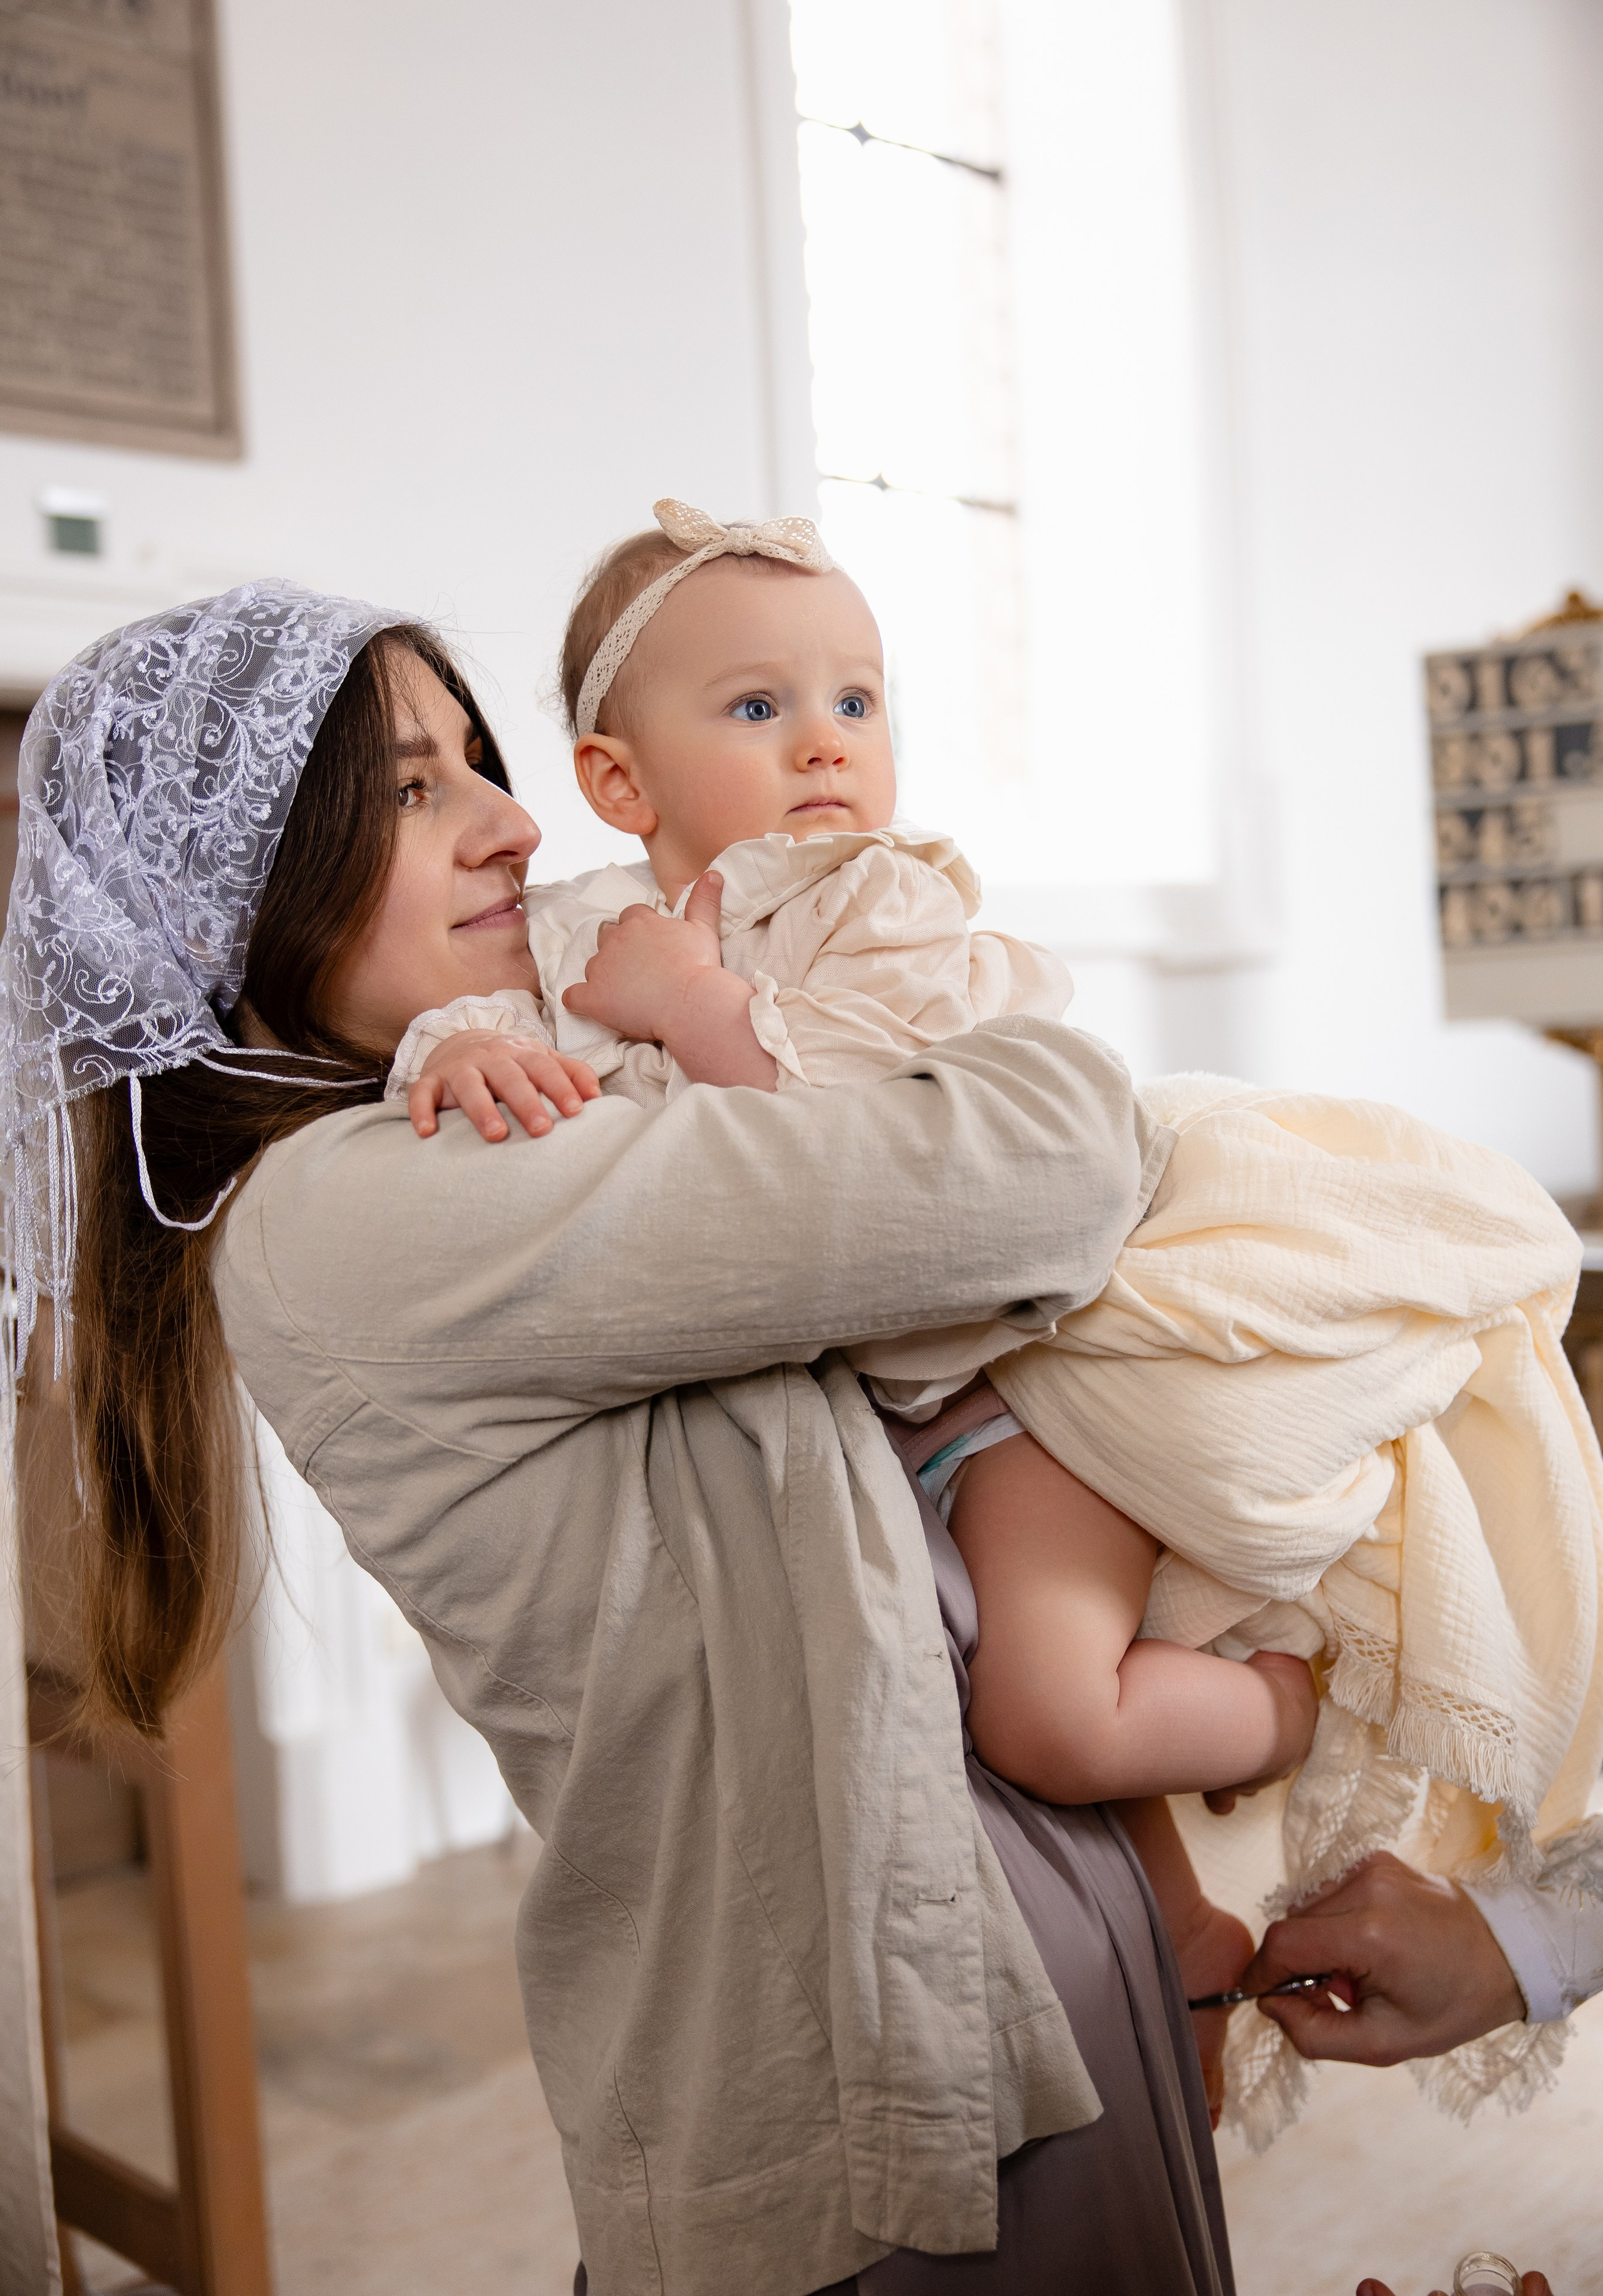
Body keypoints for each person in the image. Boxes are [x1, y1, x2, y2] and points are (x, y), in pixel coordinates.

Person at [2, 582, 1242, 2293]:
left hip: (998, 1931)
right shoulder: (363, 1211)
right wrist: (937, 998)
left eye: (482, 766)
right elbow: (1050, 1165)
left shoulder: (508, 1095)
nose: (514, 827)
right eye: (415, 788)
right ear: (236, 890)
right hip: (871, 2065)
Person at [391, 500, 1603, 2139]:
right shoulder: (574, 933)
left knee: (1048, 1716)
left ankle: (1309, 1695)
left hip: (1014, 1391)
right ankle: (1174, 1926)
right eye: (758, 707)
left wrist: (696, 1008)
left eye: (858, 699)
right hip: (824, 1436)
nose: (824, 740)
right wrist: (449, 1061)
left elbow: (890, 1161)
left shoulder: (891, 915)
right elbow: (481, 1028)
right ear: (619, 783)